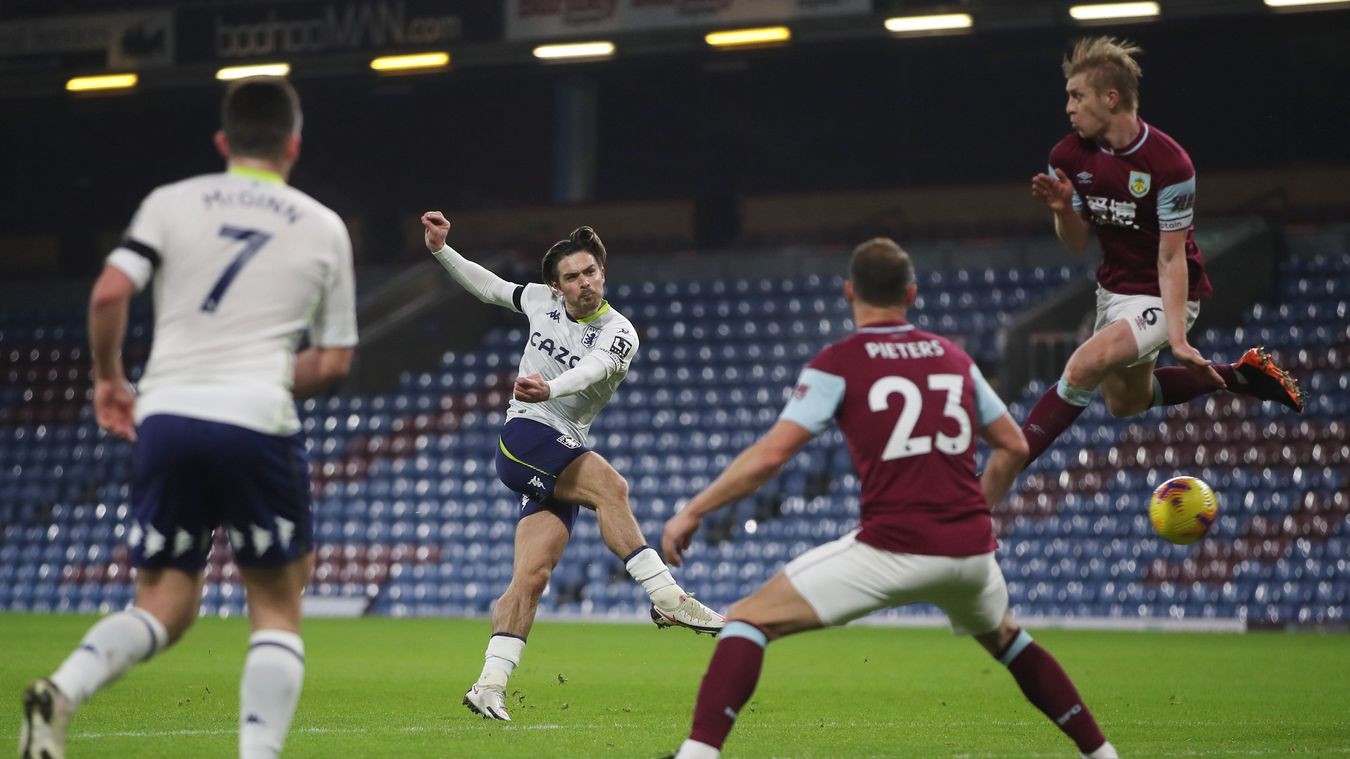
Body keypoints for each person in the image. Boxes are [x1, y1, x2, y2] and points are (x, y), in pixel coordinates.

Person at [661, 238, 1118, 759]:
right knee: (1008, 641)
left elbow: (771, 457)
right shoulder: (954, 359)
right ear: (911, 293)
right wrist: (978, 507)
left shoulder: (839, 362)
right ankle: (1103, 754)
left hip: (894, 547)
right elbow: (1013, 444)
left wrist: (693, 510)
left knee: (747, 619)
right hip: (970, 552)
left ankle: (696, 754)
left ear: (849, 291)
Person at [20, 77, 357, 759]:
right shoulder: (323, 225)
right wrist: (256, 372)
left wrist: (110, 378)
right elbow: (333, 362)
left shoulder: (170, 203)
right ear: (292, 144)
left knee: (164, 603)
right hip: (256, 418)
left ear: (223, 142)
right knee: (276, 606)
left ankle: (62, 688)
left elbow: (110, 289)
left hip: (167, 415)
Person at [420, 212, 725, 722]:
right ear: (555, 286)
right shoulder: (541, 302)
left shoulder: (618, 331)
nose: (583, 283)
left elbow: (595, 369)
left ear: (602, 272)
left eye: (589, 272)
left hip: (560, 441)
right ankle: (666, 595)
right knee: (611, 484)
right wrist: (440, 250)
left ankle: (489, 684)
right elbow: (491, 287)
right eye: (571, 277)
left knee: (531, 578)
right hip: (525, 435)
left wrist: (552, 386)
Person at [1021, 36, 1304, 468]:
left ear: (1111, 98)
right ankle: (1239, 376)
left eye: (1077, 96)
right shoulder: (1066, 156)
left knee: (1084, 365)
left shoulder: (1171, 164)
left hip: (1163, 293)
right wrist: (1062, 210)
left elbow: (1170, 258)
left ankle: (1006, 466)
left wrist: (1177, 338)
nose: (1069, 108)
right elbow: (1077, 241)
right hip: (1114, 291)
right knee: (1123, 403)